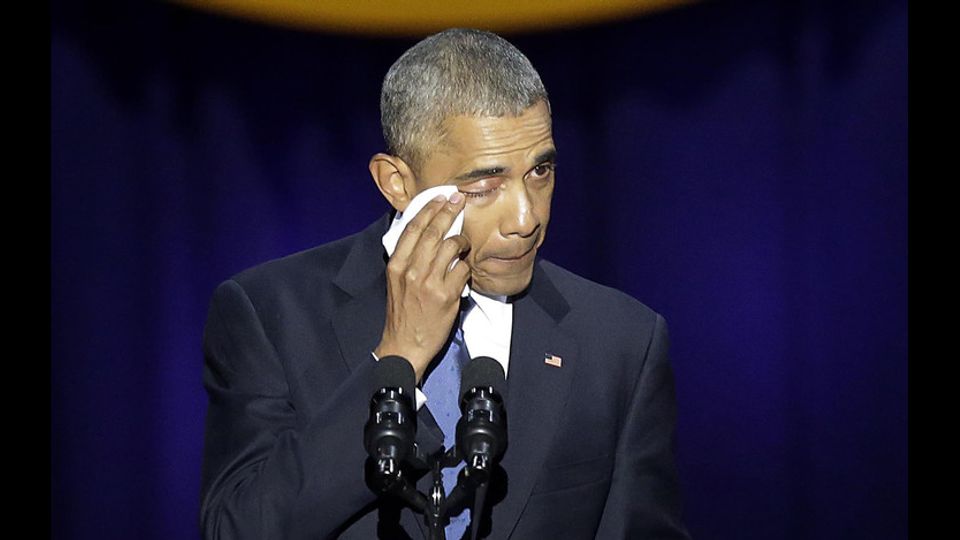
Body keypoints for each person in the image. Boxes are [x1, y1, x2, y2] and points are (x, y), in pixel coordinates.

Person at [200, 28, 690, 539]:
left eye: (540, 170)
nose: (525, 217)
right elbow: (235, 529)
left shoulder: (621, 341)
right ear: (397, 182)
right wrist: (399, 357)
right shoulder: (270, 313)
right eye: (484, 185)